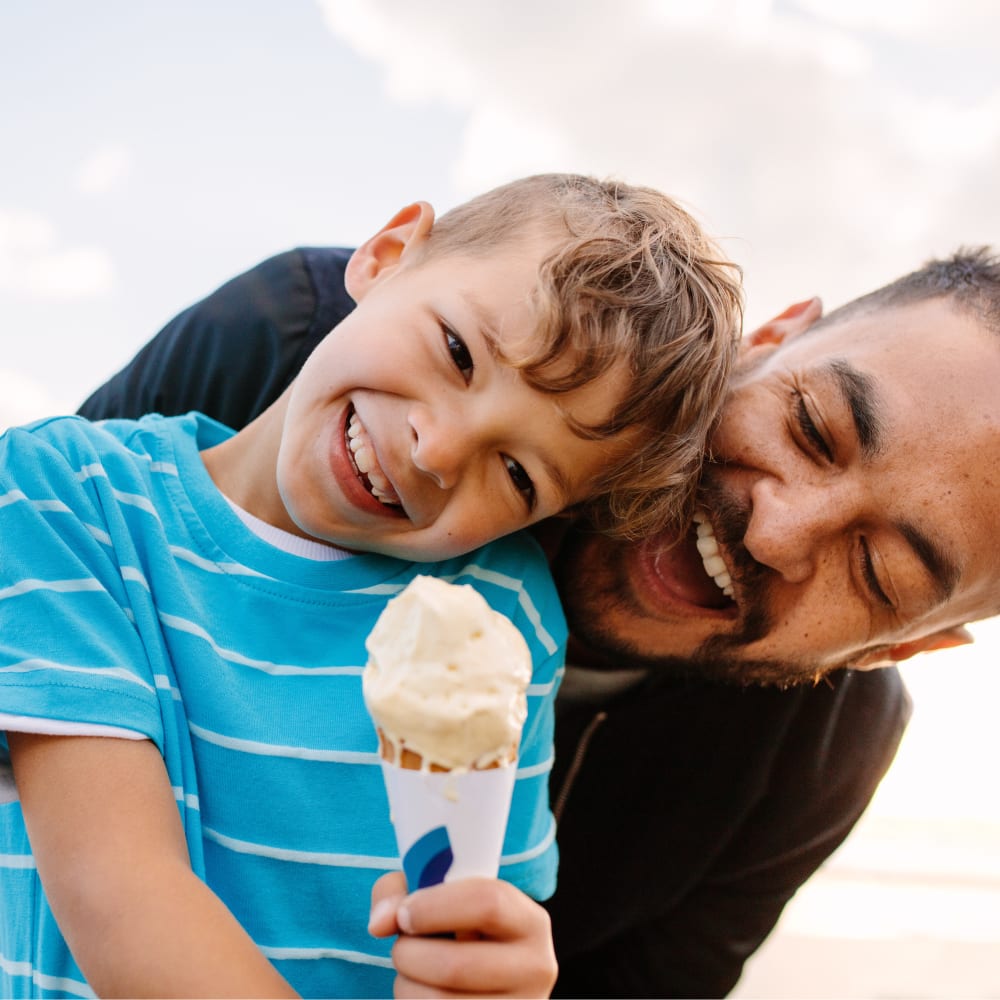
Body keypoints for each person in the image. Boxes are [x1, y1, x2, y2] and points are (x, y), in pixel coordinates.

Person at [81, 243, 1000, 998]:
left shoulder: (816, 759)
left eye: (877, 569)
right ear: (766, 341)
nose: (779, 529)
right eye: (812, 427)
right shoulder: (322, 377)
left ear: (898, 647)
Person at [0, 174, 744, 998]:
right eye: (458, 352)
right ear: (387, 256)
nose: (438, 449)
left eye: (518, 475)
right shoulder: (62, 497)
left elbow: (469, 919)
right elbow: (119, 893)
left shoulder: (503, 617)